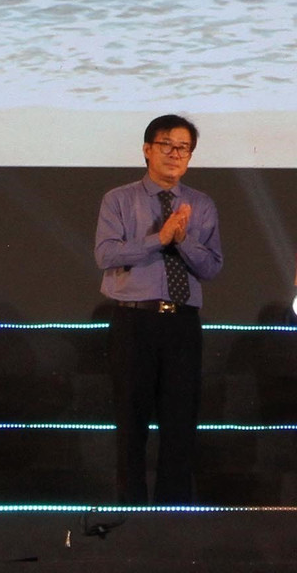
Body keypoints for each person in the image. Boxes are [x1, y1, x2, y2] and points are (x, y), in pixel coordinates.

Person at [94, 115, 224, 504]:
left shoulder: (201, 204)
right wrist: (158, 238)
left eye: (183, 148)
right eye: (166, 145)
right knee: (131, 425)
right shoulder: (119, 199)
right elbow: (105, 254)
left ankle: (174, 515)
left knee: (180, 425)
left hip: (182, 324)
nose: (174, 154)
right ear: (147, 149)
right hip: (134, 320)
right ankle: (130, 514)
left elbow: (212, 266)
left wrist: (182, 240)